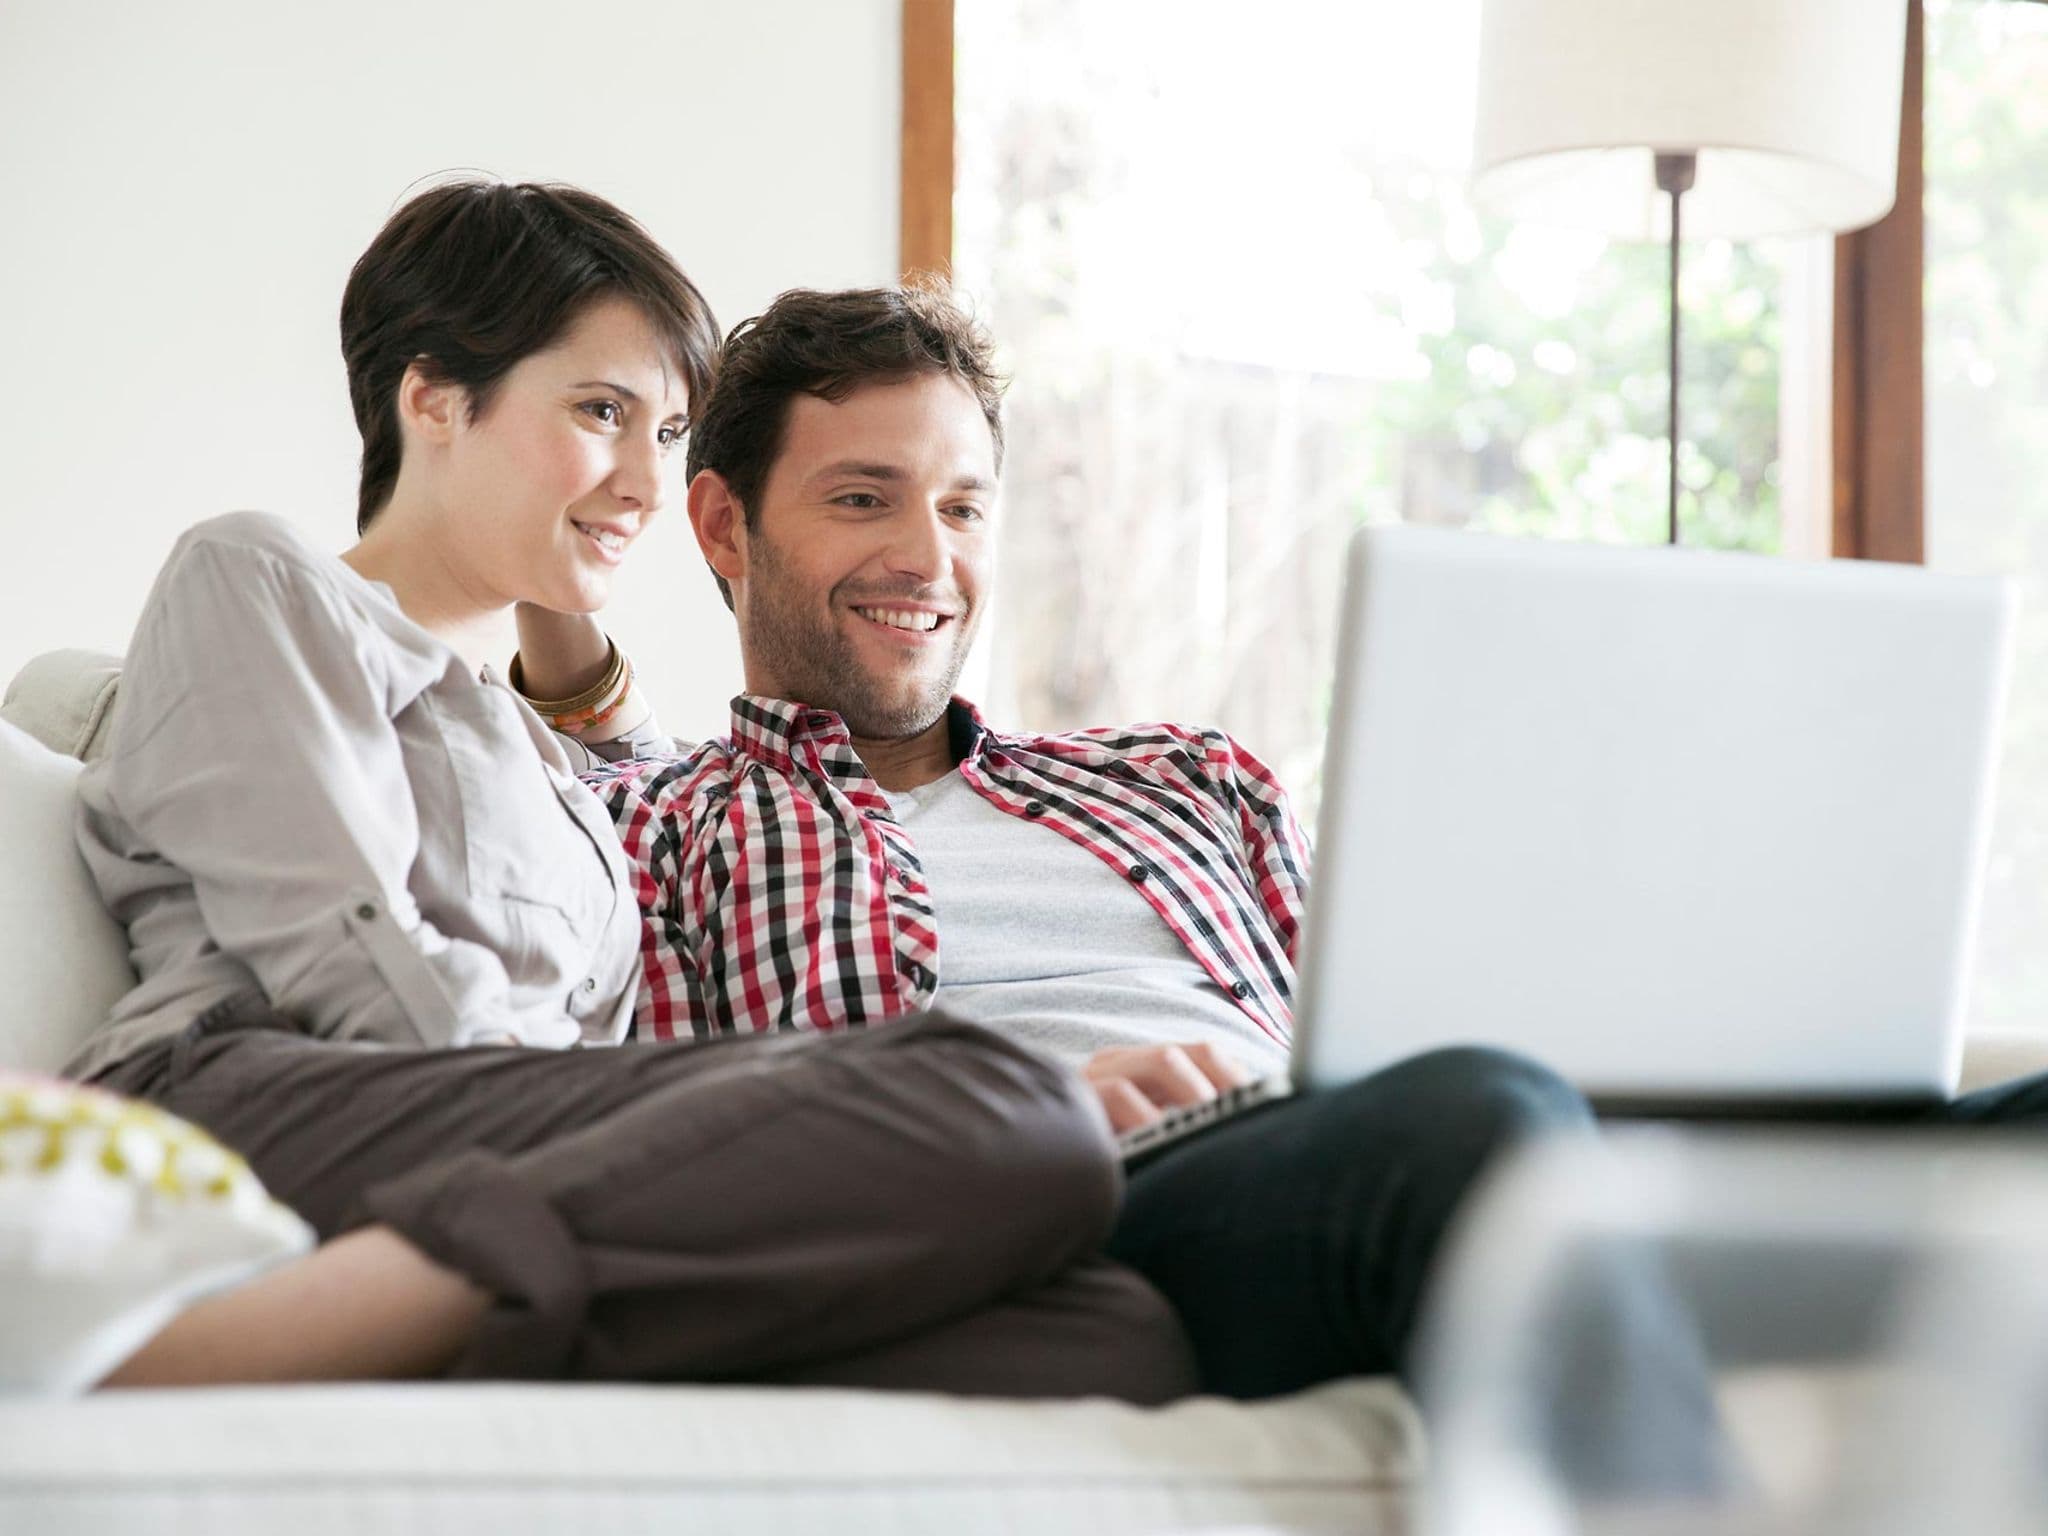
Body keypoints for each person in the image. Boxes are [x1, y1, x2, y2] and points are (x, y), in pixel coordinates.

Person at [523, 283, 1727, 1479]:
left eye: (961, 508)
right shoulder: (649, 831)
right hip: (1037, 1229)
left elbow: (1369, 1037)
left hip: (1302, 1151)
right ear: (723, 528)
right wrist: (1019, 1114)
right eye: (860, 499)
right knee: (1482, 1123)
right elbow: (668, 1164)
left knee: (1732, 1153)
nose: (927, 559)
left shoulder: (1184, 778)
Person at [67, 181, 1194, 1400]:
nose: (649, 487)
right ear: (431, 397)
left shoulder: (551, 771)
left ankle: (472, 1316)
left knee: (1112, 1332)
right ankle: (185, 1350)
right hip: (259, 1103)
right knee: (987, 1091)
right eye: (602, 411)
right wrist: (684, 1132)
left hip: (509, 1156)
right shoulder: (262, 580)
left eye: (666, 435)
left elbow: (626, 763)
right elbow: (341, 951)